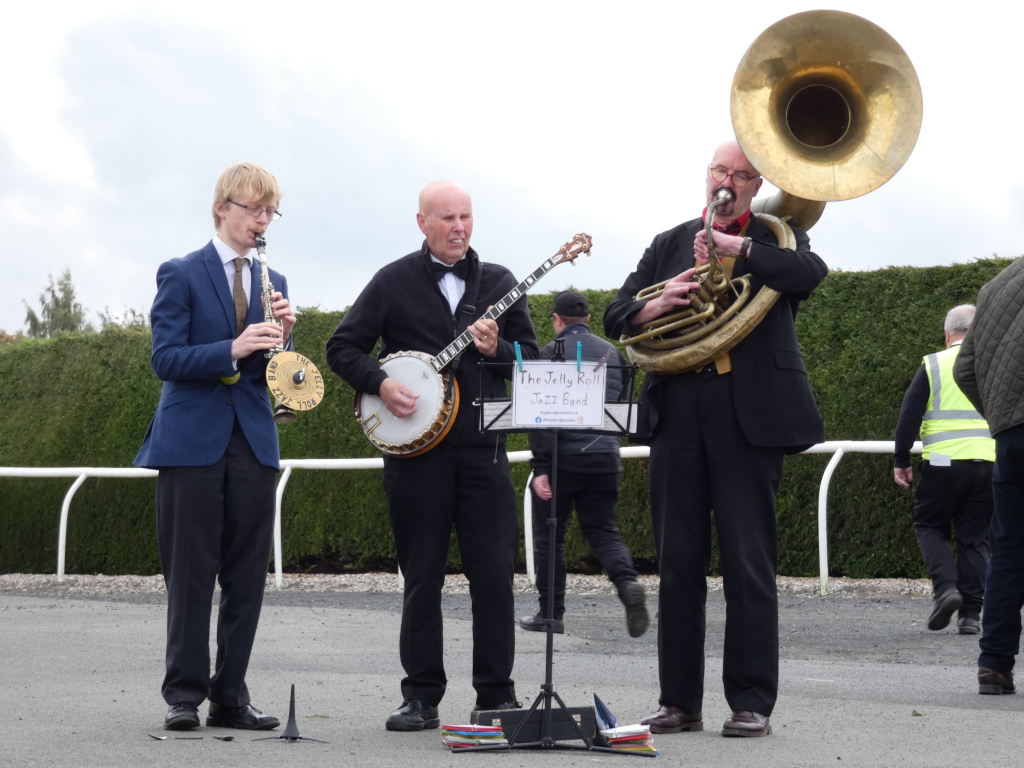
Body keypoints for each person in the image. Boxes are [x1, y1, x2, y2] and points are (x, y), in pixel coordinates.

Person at [604, 140, 827, 738]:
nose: (726, 182)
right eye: (719, 172)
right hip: (679, 410)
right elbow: (616, 312)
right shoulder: (669, 241)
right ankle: (680, 702)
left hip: (745, 412)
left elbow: (811, 275)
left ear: (757, 186)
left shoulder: (778, 237)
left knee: (748, 561)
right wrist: (656, 308)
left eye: (741, 176)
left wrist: (739, 248)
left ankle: (751, 701)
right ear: (707, 176)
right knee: (677, 563)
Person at [325, 180, 539, 731]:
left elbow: (533, 362)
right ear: (422, 222)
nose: (459, 227)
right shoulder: (392, 281)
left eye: (466, 216)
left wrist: (500, 350)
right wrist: (379, 382)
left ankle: (496, 695)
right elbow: (342, 346)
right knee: (421, 576)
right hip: (415, 460)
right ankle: (420, 696)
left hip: (483, 453)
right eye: (446, 217)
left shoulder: (500, 283)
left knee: (494, 576)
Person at [134, 162, 293, 731]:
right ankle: (183, 696)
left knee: (247, 575)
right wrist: (233, 345)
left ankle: (232, 695)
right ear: (222, 207)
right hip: (190, 440)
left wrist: (285, 342)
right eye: (253, 208)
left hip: (253, 440)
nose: (262, 220)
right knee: (191, 574)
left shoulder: (273, 282)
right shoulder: (180, 273)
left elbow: (276, 374)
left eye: (270, 211)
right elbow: (164, 359)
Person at [520, 290, 649, 638]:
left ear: (557, 320)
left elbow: (540, 417)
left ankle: (551, 614)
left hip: (563, 461)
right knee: (604, 532)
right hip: (605, 456)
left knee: (550, 538)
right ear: (589, 319)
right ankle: (627, 586)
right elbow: (619, 409)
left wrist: (541, 466)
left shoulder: (548, 354)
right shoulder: (614, 353)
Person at [893, 305, 994, 634]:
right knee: (975, 540)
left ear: (947, 334)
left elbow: (910, 414)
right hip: (989, 464)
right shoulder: (994, 366)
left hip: (941, 464)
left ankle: (946, 590)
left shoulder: (934, 363)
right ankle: (971, 617)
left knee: (930, 526)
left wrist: (901, 460)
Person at [954, 259, 1024, 695]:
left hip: (1009, 441)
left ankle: (994, 666)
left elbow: (964, 371)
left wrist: (1001, 420)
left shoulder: (994, 287)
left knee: (1007, 551)